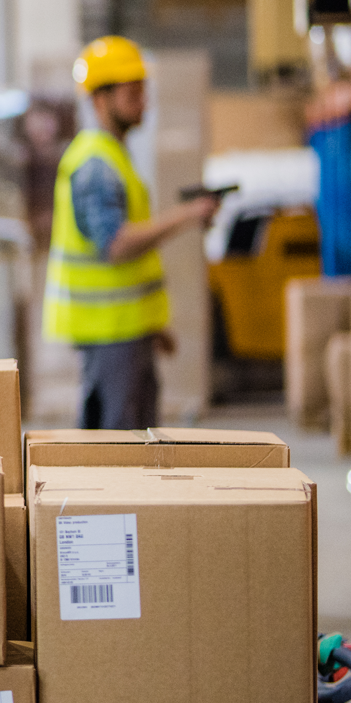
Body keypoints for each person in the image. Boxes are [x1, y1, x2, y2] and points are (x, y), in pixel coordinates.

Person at [43, 36, 222, 430]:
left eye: (143, 91)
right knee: (118, 447)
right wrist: (187, 215)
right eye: (132, 93)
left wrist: (150, 328)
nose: (143, 102)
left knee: (134, 442)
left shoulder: (113, 156)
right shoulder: (96, 164)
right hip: (110, 332)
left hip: (126, 332)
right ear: (100, 98)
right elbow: (116, 245)